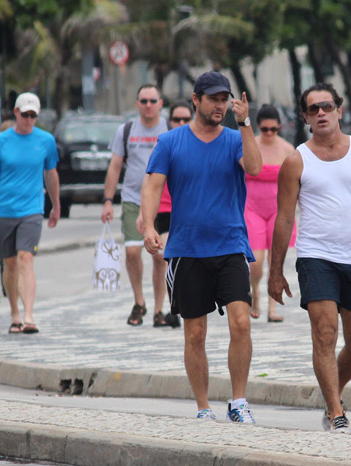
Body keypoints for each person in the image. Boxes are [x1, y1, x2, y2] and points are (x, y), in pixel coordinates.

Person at [268, 82, 351, 434]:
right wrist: (275, 272)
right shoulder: (296, 160)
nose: (321, 113)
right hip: (315, 257)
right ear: (306, 118)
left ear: (340, 111)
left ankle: (333, 394)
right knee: (325, 333)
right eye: (313, 109)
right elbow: (284, 219)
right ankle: (335, 412)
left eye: (327, 106)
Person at [140, 71, 262, 423]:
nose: (220, 105)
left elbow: (254, 167)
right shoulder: (170, 142)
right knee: (195, 332)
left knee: (241, 323)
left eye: (224, 99)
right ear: (196, 100)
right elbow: (151, 188)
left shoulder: (235, 139)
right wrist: (148, 226)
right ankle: (203, 408)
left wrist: (246, 123)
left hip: (230, 246)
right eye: (213, 99)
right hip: (187, 250)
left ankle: (238, 402)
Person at [0, 92, 60, 334]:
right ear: (16, 113)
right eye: (25, 114)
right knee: (10, 263)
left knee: (26, 259)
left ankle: (29, 316)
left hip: (32, 210)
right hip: (4, 211)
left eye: (33, 115)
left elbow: (51, 174)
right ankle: (14, 313)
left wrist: (55, 205)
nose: (29, 119)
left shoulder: (46, 141)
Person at [102, 84, 169, 327]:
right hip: (132, 198)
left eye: (153, 100)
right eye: (144, 101)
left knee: (160, 257)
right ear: (137, 103)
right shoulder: (127, 129)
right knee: (132, 251)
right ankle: (139, 301)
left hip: (162, 199)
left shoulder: (169, 129)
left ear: (160, 103)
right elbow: (115, 166)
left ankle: (159, 309)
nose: (148, 105)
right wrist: (108, 201)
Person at [135, 99, 195, 330]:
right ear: (168, 121)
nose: (180, 122)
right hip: (163, 209)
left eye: (185, 119)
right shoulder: (164, 144)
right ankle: (161, 309)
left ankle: (173, 307)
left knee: (170, 258)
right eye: (176, 119)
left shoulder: (197, 144)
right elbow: (148, 182)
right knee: (160, 260)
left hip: (186, 211)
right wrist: (144, 215)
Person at [244, 104, 296, 323]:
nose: (268, 133)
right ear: (258, 127)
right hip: (251, 207)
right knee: (256, 261)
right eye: (264, 129)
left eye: (273, 130)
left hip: (278, 209)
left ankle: (272, 307)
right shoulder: (250, 145)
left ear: (279, 128)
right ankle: (254, 292)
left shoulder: (287, 149)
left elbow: (297, 181)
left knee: (275, 261)